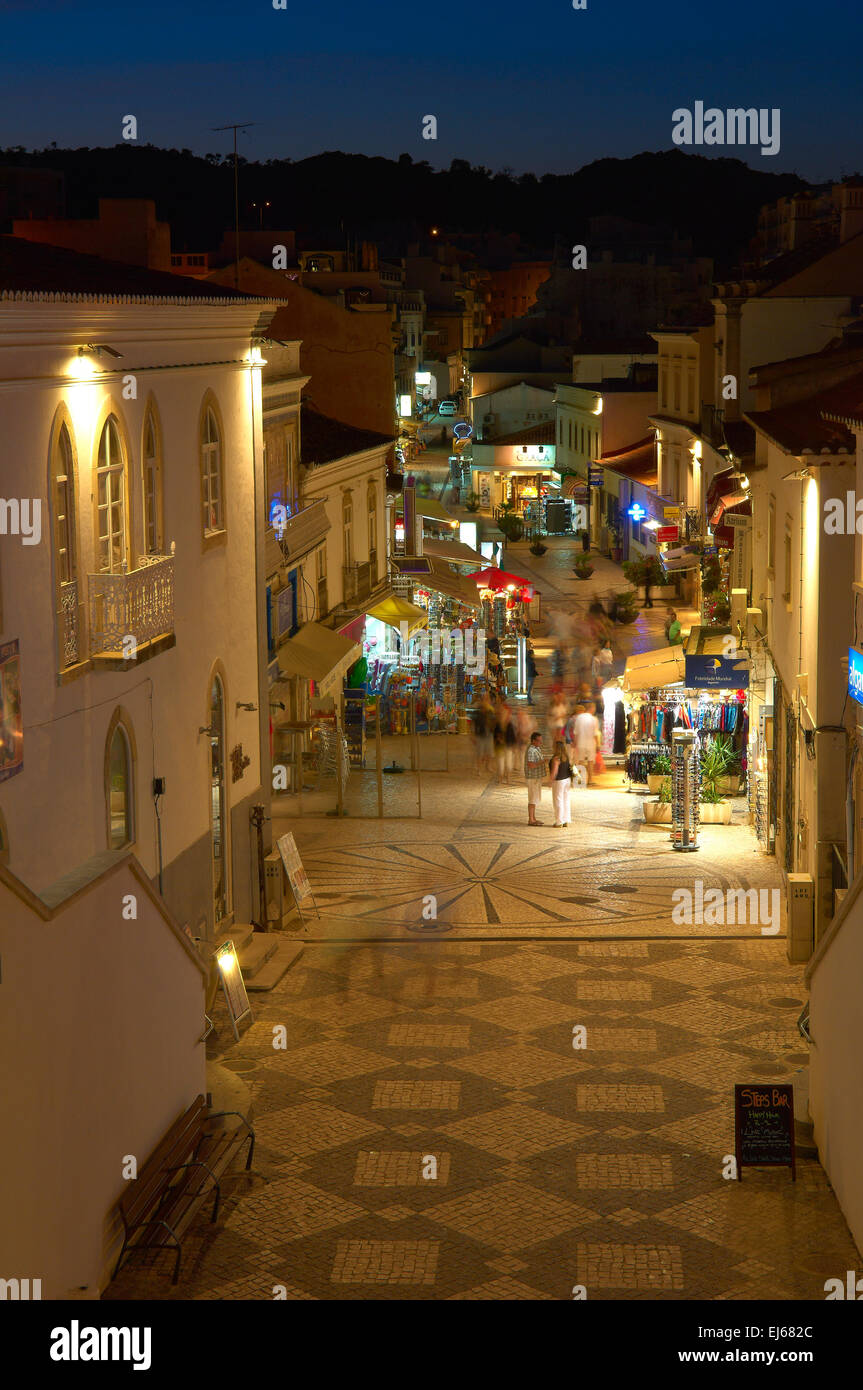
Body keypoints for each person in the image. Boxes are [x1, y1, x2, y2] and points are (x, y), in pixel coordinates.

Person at [571, 703, 600, 785]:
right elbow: (595, 733)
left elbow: (575, 732)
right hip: (591, 743)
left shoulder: (579, 718)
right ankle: (590, 780)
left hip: (581, 742)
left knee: (580, 761)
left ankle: (580, 780)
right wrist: (598, 744)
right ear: (591, 708)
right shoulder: (594, 719)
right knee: (590, 761)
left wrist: (575, 742)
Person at [549, 739, 573, 828]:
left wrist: (550, 781)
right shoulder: (566, 757)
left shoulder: (556, 758)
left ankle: (559, 821)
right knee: (566, 800)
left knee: (558, 800)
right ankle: (566, 820)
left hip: (559, 781)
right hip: (567, 780)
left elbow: (554, 772)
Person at [524, 731, 546, 825]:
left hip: (536, 777)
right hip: (533, 778)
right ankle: (531, 820)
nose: (540, 743)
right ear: (533, 741)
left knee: (535, 798)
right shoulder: (531, 750)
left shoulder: (536, 749)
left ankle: (533, 818)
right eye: (539, 741)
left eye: (541, 741)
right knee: (532, 798)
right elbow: (530, 765)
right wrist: (541, 762)